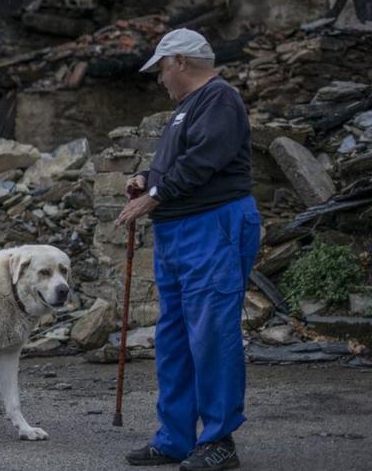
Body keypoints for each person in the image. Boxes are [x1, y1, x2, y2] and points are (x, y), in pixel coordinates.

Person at [115, 28, 261, 471]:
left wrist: (153, 197)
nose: (160, 78)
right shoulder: (187, 109)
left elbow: (203, 161)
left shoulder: (219, 98)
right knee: (175, 336)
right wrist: (146, 175)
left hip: (212, 226)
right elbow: (179, 162)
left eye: (161, 67)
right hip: (180, 232)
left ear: (179, 61)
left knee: (212, 335)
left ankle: (219, 441)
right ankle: (175, 437)